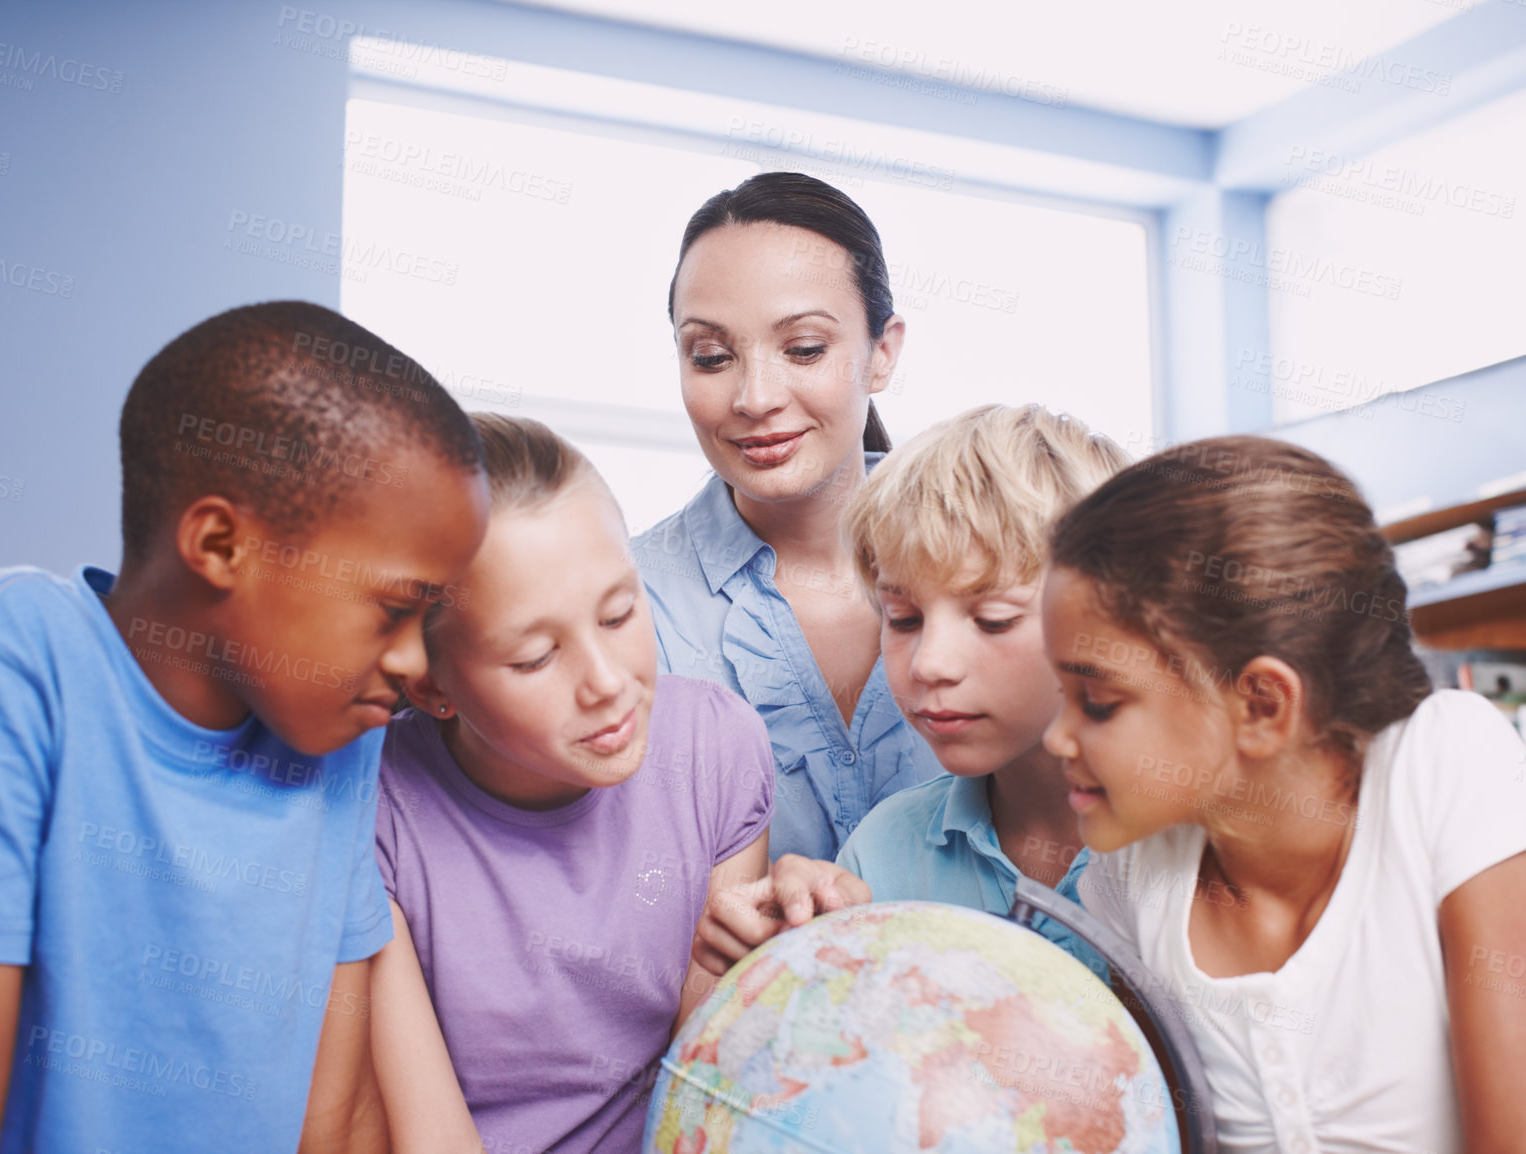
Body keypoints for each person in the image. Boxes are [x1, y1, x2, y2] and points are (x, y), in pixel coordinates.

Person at [0, 301, 490, 1154]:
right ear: (221, 544)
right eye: (393, 609)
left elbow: (336, 1118)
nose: (416, 664)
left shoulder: (342, 737)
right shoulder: (4, 656)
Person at [1040, 435, 1526, 1151]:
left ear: (1264, 705)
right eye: (1061, 694)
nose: (1057, 737)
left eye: (1099, 700)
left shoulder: (1448, 762)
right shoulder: (1133, 868)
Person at [369, 415, 865, 1154]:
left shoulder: (715, 747)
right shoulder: (375, 812)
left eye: (620, 612)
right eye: (536, 657)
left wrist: (772, 956)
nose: (607, 684)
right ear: (432, 685)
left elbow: (700, 1084)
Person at [633, 171, 943, 863]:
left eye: (804, 349)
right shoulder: (617, 603)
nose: (755, 397)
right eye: (710, 357)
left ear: (882, 352)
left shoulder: (1012, 570)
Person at [833, 404, 1127, 978]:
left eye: (993, 619)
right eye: (903, 618)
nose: (931, 665)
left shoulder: (1196, 852)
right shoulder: (883, 856)